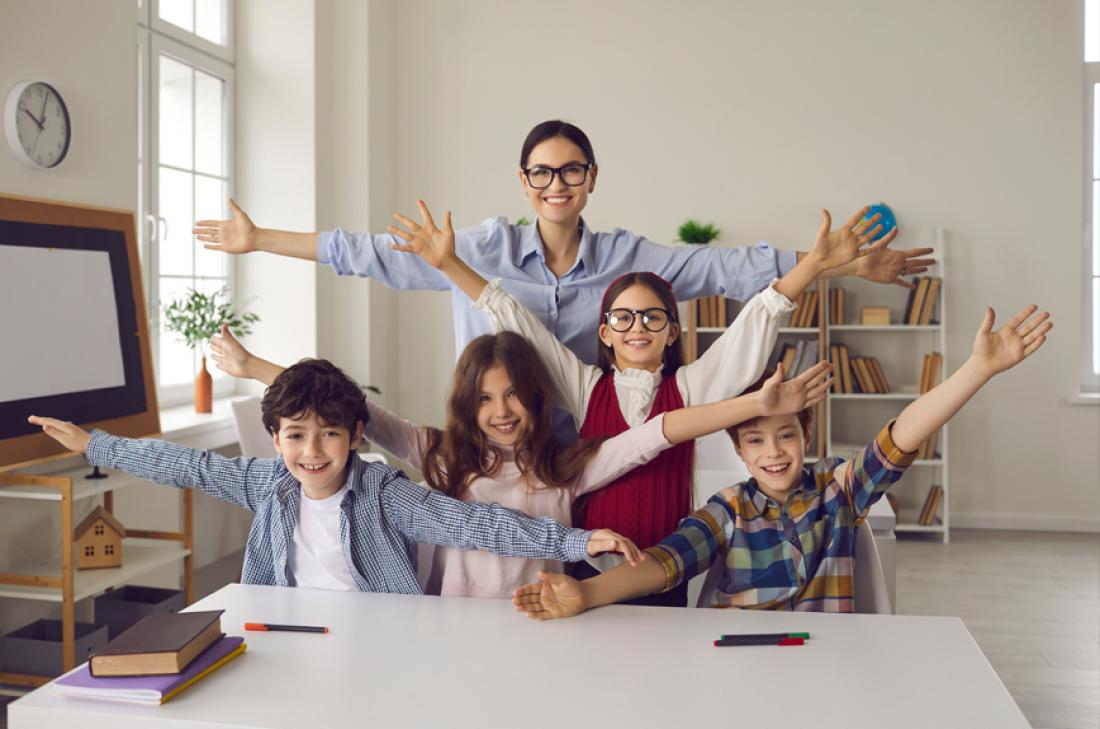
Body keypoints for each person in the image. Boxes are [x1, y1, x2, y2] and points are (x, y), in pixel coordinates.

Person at [383, 200, 876, 605]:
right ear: (604, 332)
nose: (637, 327)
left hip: (663, 569)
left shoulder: (689, 389)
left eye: (651, 317)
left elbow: (752, 328)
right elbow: (513, 317)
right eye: (622, 318)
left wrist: (811, 266)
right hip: (585, 569)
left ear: (672, 330)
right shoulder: (584, 386)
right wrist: (449, 264)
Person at [193, 119, 933, 372]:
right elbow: (365, 252)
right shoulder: (476, 249)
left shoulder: (624, 255)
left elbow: (722, 268)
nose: (556, 183)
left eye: (570, 170)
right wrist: (259, 239)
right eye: (542, 172)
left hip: (581, 434)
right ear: (524, 181)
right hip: (488, 435)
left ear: (590, 179)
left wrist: (833, 261)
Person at [510, 304, 1052, 615]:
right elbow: (661, 564)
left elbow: (902, 435)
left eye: (786, 436)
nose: (774, 452)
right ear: (738, 449)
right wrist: (586, 592)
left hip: (825, 662)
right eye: (756, 442)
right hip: (738, 666)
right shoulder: (727, 509)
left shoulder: (838, 492)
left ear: (806, 435)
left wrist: (977, 370)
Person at [210, 331, 832, 599]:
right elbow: (348, 405)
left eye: (512, 395)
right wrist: (256, 366)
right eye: (484, 397)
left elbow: (655, 435)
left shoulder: (568, 467)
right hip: (446, 621)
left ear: (535, 399)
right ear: (466, 404)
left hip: (537, 619)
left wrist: (750, 404)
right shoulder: (441, 456)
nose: (500, 411)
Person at [27, 359, 647, 594]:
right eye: (295, 436)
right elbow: (188, 465)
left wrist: (571, 542)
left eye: (329, 434)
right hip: (283, 628)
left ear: (355, 435)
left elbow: (473, 521)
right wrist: (96, 445)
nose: (313, 452)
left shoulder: (385, 494)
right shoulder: (266, 483)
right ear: (276, 440)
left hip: (377, 636)